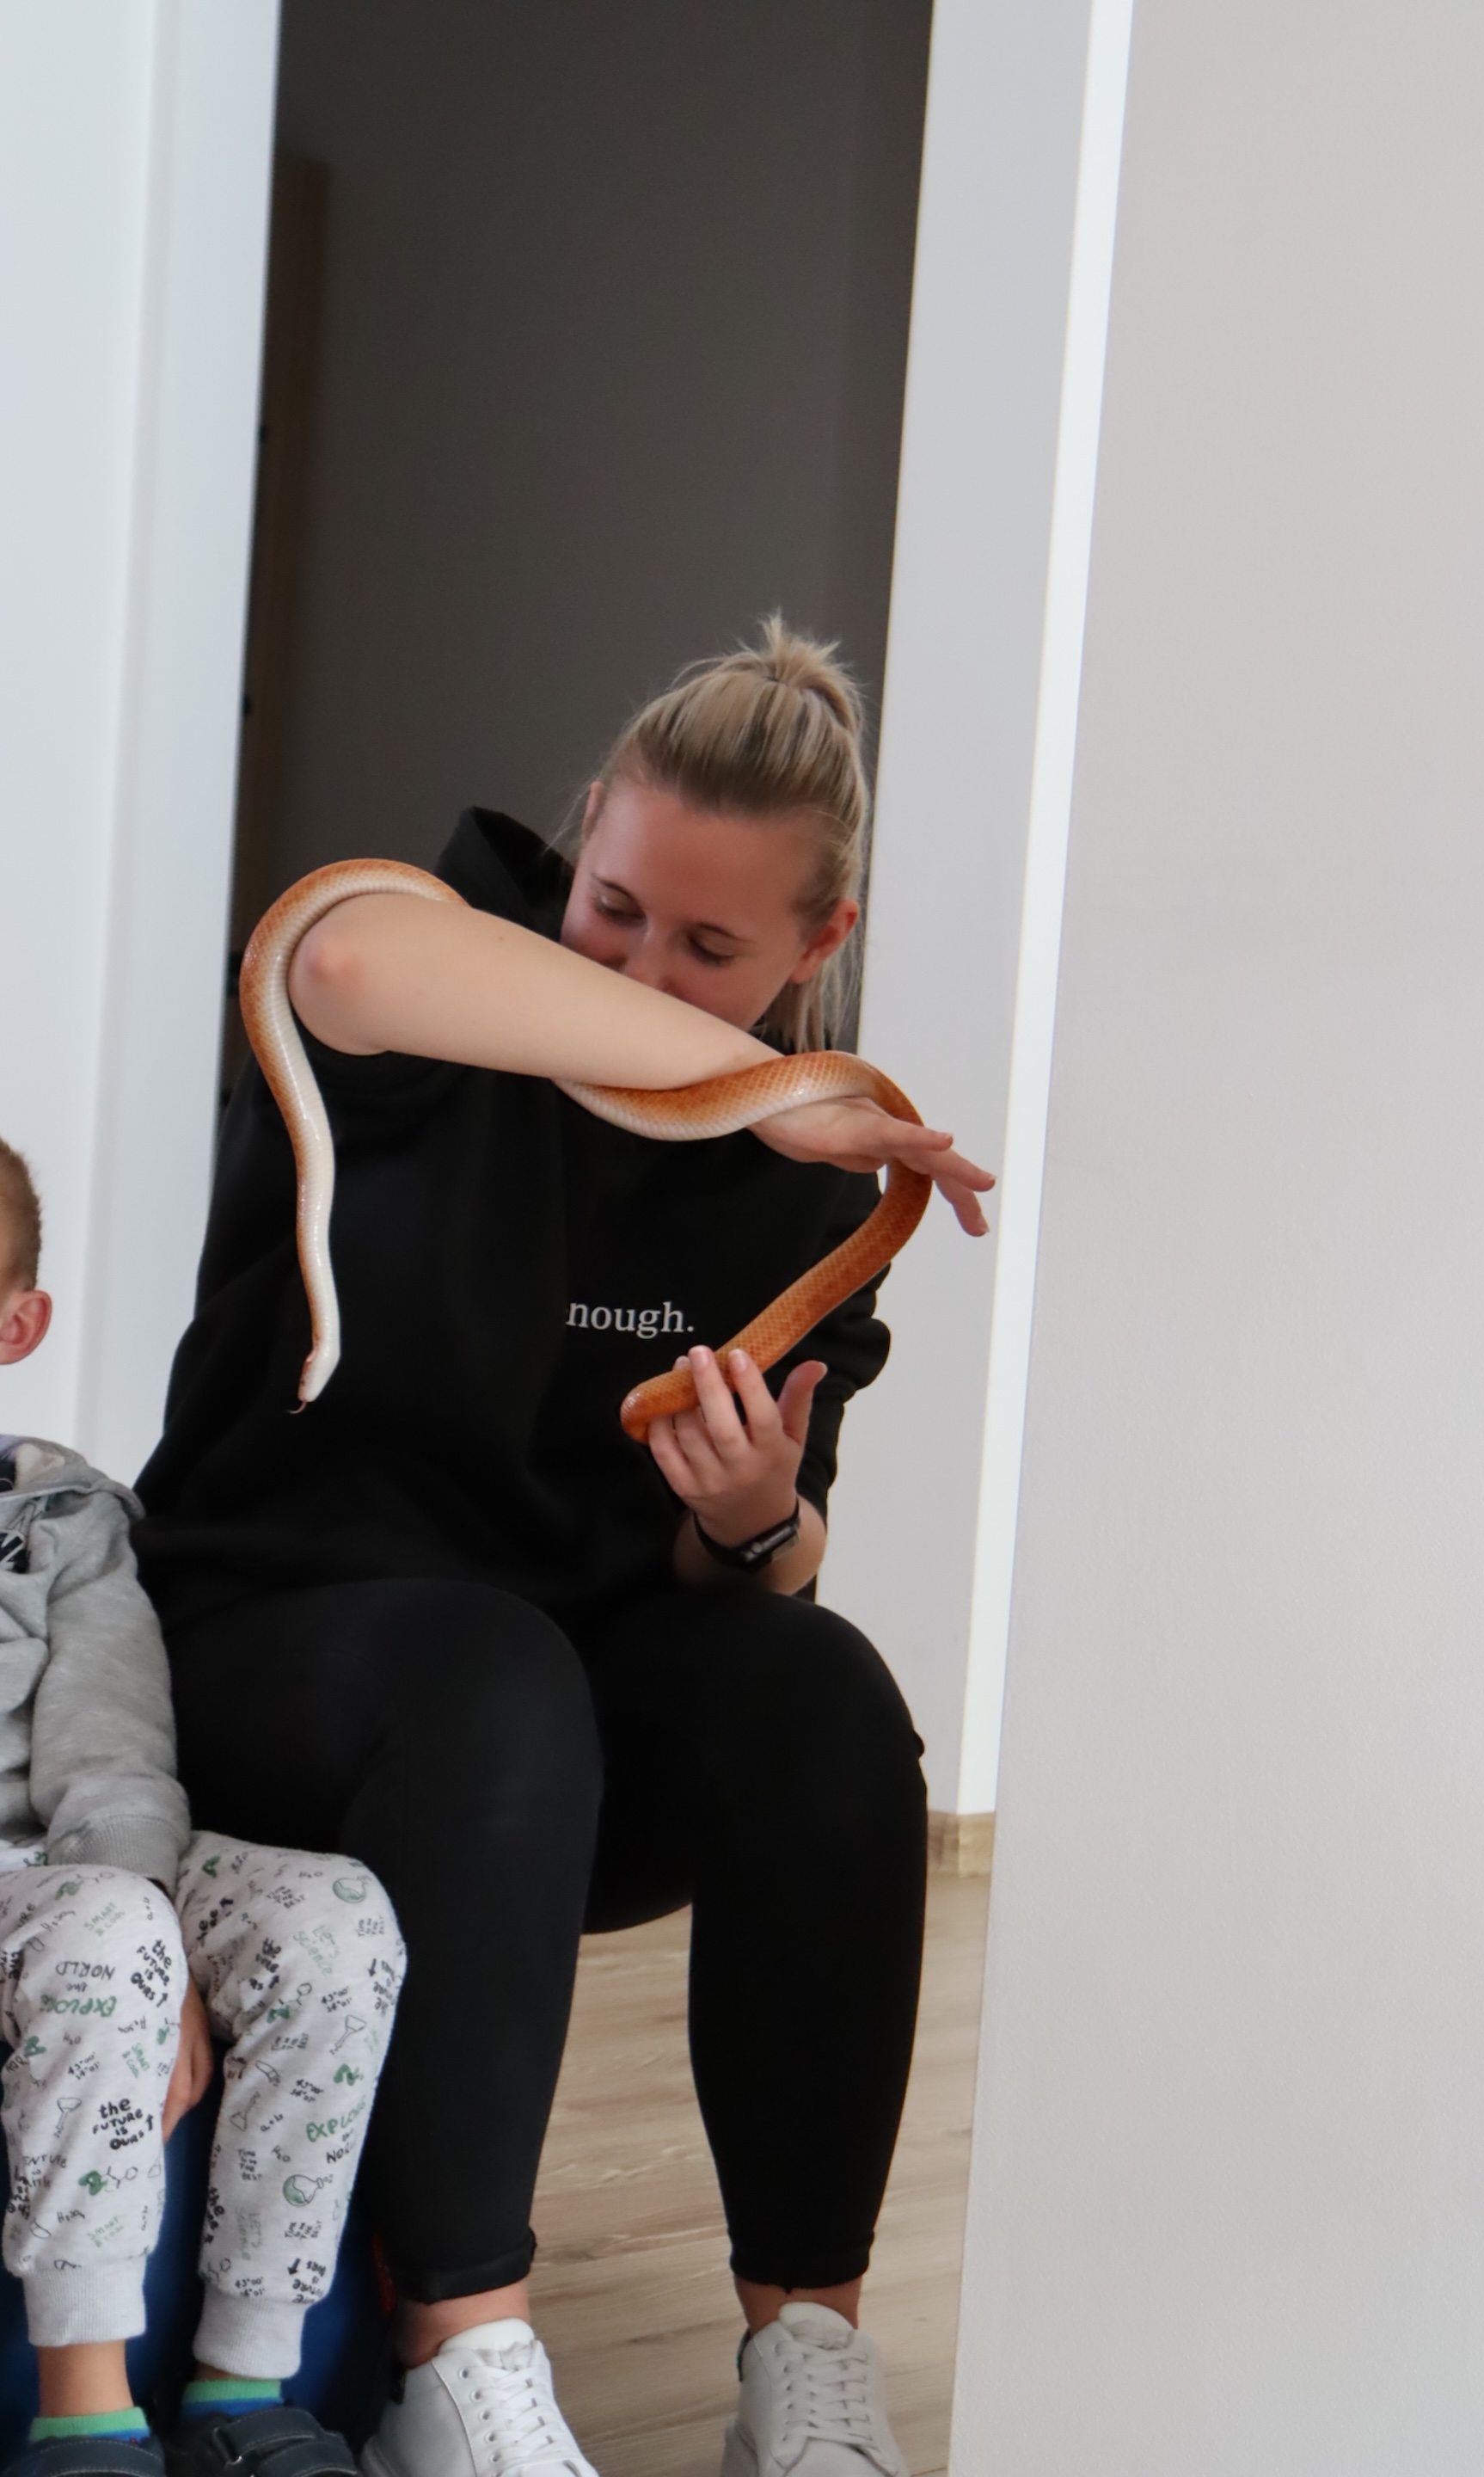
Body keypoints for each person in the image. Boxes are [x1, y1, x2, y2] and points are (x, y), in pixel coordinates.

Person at [133, 623, 994, 2477]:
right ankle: (462, 2361)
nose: (642, 968)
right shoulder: (430, 984)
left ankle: (808, 2354)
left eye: (711, 950)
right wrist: (760, 1081)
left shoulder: (805, 1194)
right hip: (272, 1654)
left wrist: (748, 1521)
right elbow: (336, 954)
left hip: (546, 1762)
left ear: (819, 946)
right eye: (614, 907)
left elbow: (748, 1587)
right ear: (583, 828)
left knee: (827, 1698)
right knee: (492, 1667)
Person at [0, 1138, 404, 2477]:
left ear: (16, 1326)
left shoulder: (63, 1515)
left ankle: (244, 2387)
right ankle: (84, 2414)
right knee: (106, 1936)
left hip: (79, 1866)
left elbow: (112, 1752)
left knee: (335, 1919)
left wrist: (164, 1936)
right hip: (54, 1920)